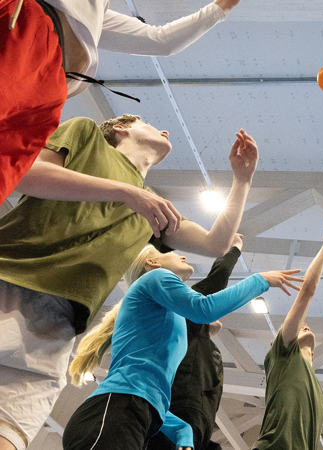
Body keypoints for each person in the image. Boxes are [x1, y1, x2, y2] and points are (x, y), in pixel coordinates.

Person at [0, 115, 257, 450]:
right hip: (10, 280)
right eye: (148, 123)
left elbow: (214, 244)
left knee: (12, 431)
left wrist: (242, 180)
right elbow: (25, 174)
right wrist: (126, 192)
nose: (164, 130)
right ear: (121, 129)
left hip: (58, 325)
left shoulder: (151, 207)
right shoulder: (87, 135)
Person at [61, 245, 303, 450]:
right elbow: (204, 308)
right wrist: (260, 280)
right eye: (174, 254)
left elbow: (152, 396)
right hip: (113, 412)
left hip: (134, 416)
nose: (184, 256)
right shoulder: (155, 277)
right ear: (153, 262)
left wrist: (183, 431)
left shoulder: (168, 313)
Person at [0, 0, 242, 203]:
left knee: (6, 166)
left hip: (50, 87)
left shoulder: (96, 11)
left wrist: (222, 7)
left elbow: (159, 40)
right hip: (25, 37)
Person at [252, 215, 323, 450]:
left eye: (305, 326)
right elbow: (306, 291)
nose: (305, 326)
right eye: (300, 326)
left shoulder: (319, 394)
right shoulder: (283, 354)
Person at [146, 234, 245, 450]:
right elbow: (219, 276)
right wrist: (235, 247)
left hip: (195, 419)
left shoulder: (193, 335)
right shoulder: (180, 308)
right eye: (173, 254)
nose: (182, 256)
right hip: (181, 411)